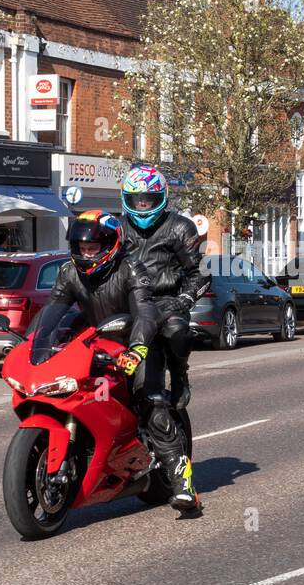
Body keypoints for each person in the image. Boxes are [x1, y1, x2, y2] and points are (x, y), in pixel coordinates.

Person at [29, 209, 201, 513]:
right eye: (81, 248)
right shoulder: (70, 272)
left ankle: (182, 483)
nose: (86, 253)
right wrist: (36, 345)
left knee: (150, 401)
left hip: (137, 343)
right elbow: (52, 311)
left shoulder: (131, 269)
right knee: (64, 392)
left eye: (93, 248)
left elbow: (146, 313)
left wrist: (137, 350)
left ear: (110, 245)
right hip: (96, 344)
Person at [119, 163, 207, 410]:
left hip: (166, 301)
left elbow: (197, 272)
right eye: (137, 200)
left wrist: (186, 298)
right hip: (129, 301)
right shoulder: (118, 227)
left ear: (161, 198)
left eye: (148, 199)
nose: (142, 205)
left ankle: (179, 373)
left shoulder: (180, 227)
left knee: (179, 332)